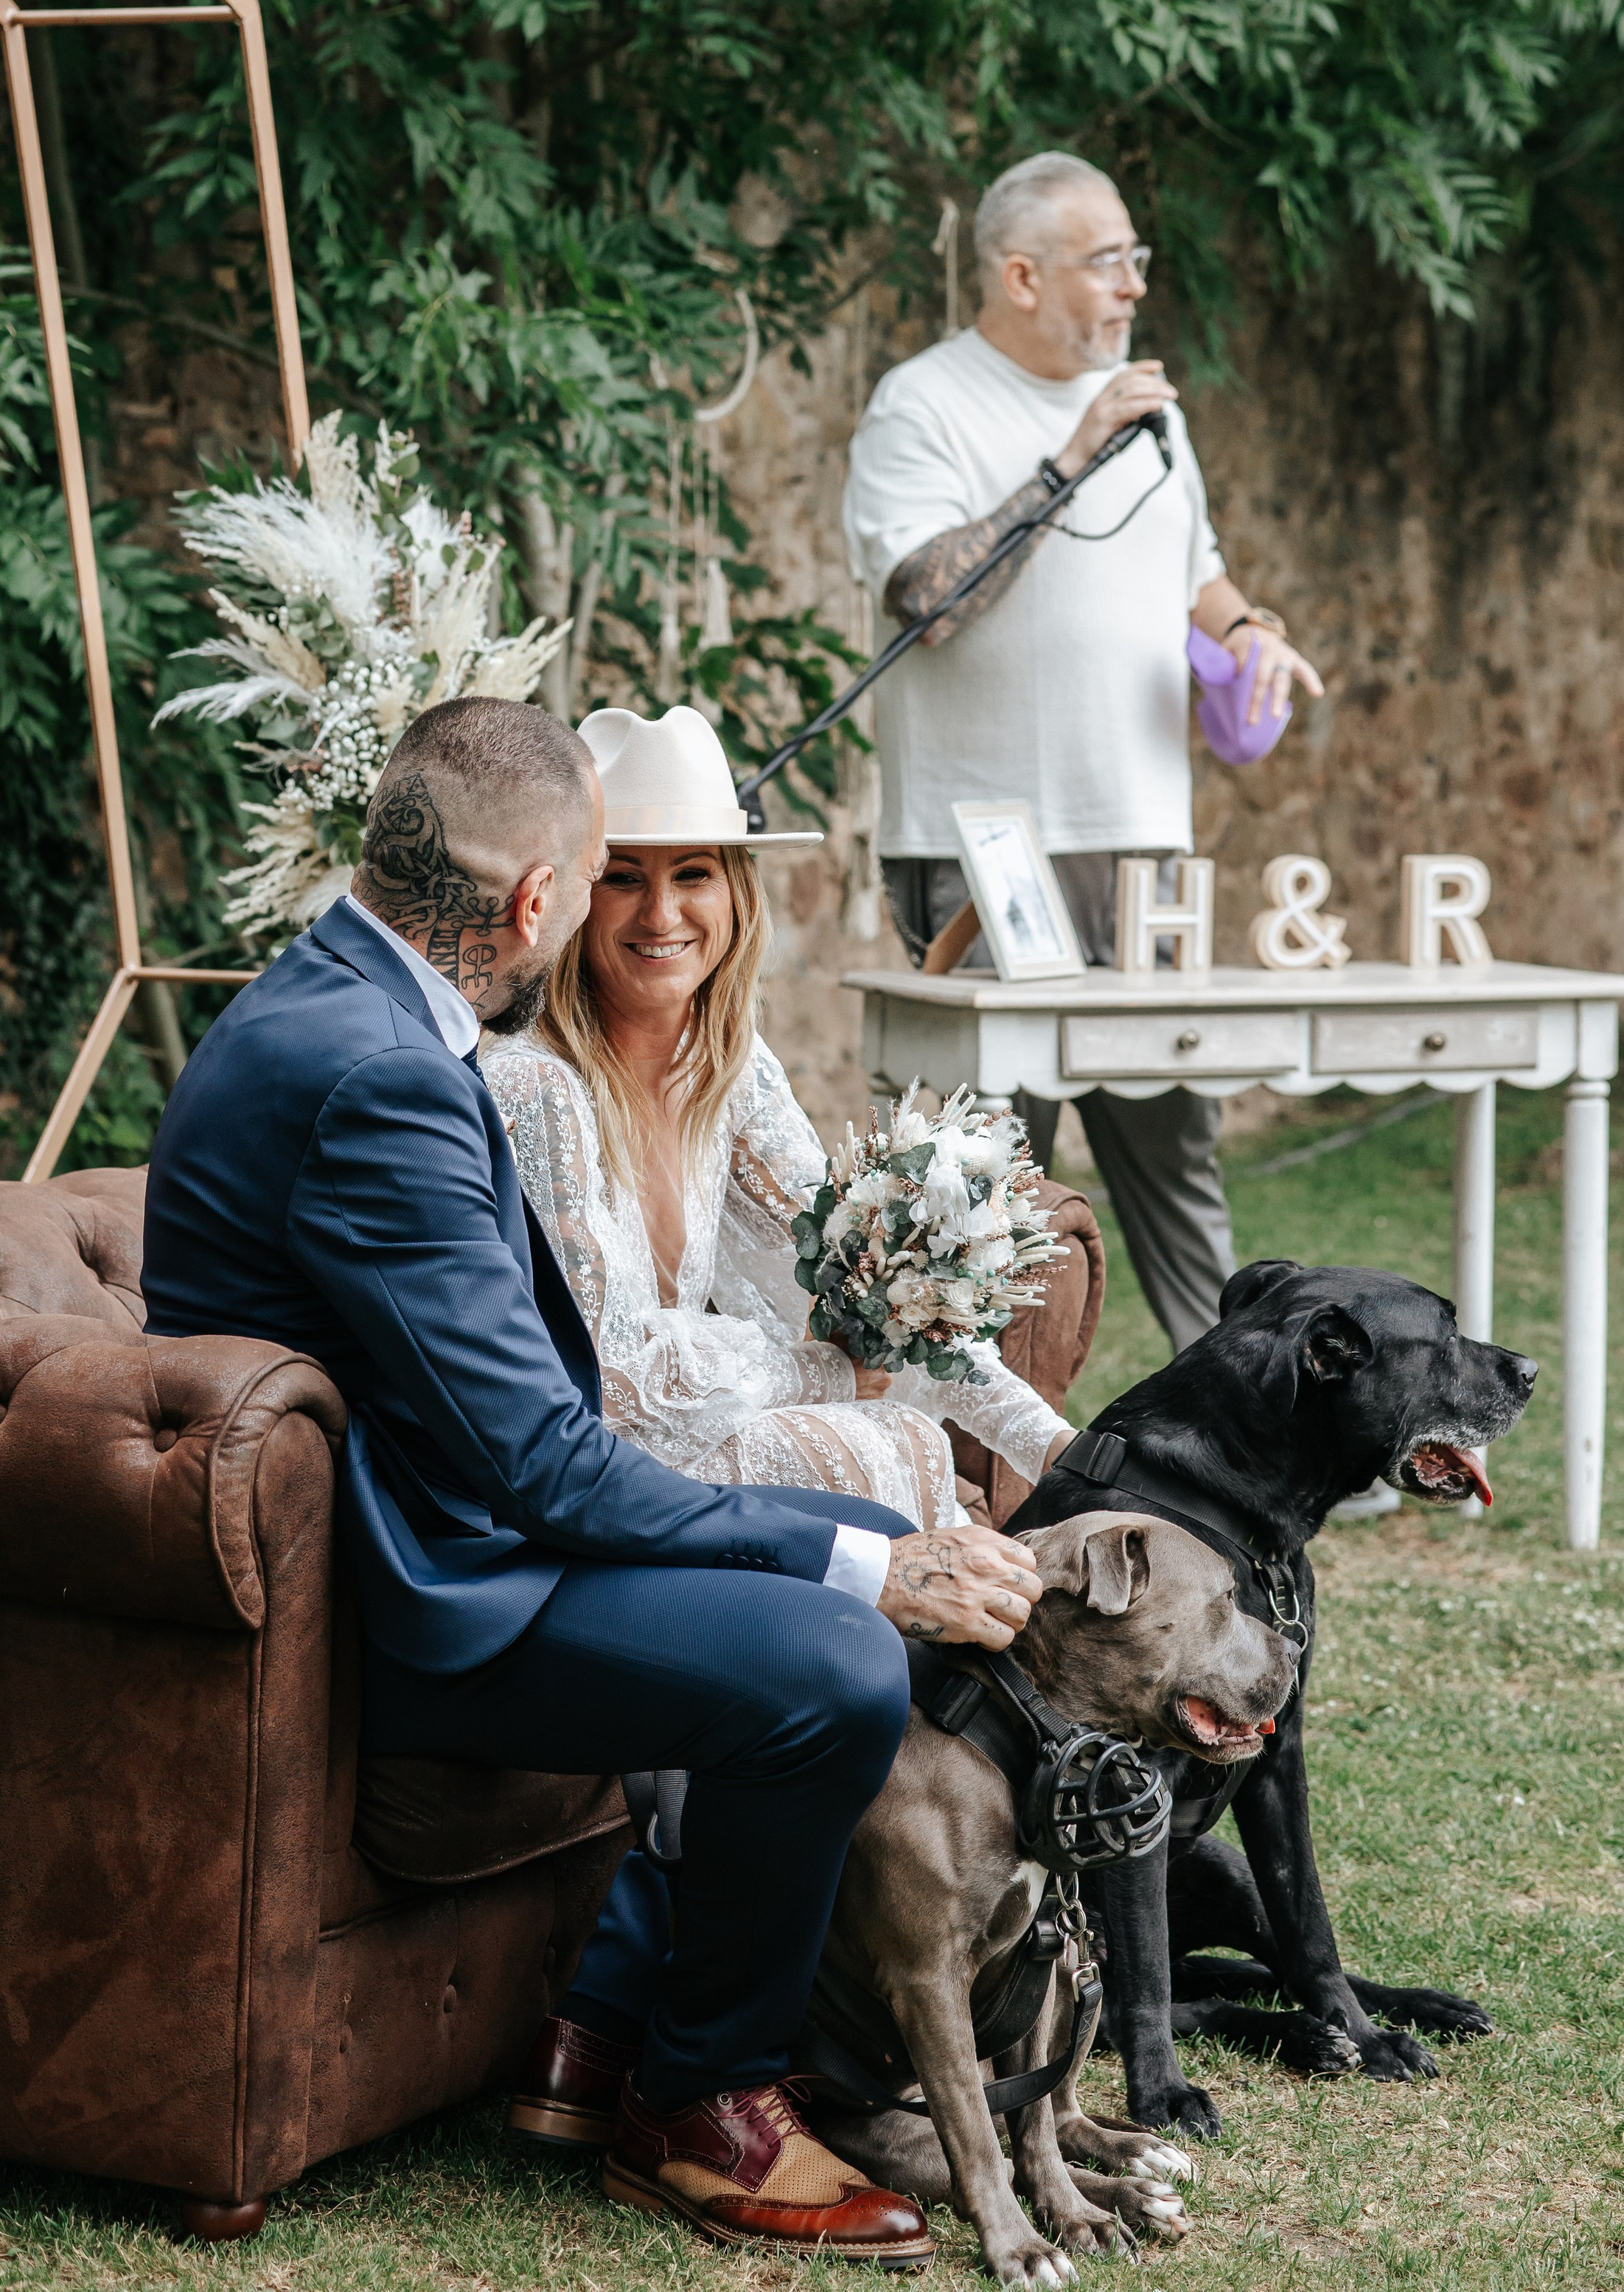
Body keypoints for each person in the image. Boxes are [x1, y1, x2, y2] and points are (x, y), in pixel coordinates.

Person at [140, 694, 1042, 2262]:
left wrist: (866, 1538)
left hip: (435, 1516)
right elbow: (552, 1465)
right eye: (607, 874)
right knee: (833, 1652)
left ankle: (608, 2025)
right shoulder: (386, 1077)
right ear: (540, 900)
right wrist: (865, 1575)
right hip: (404, 1593)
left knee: (857, 1532)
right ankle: (702, 2105)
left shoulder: (346, 1008)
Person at [843, 150, 1325, 1352]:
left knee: (1177, 1159)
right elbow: (926, 601)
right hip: (980, 853)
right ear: (1020, 274)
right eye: (1107, 261)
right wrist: (1064, 464)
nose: (1131, 287)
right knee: (982, 1182)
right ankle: (964, 1459)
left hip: (1142, 844)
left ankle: (1254, 1424)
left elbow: (1190, 567)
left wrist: (1251, 630)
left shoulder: (1148, 409)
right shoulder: (924, 403)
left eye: (1134, 259)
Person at [484, 702, 1075, 1530]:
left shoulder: (727, 1065)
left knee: (905, 1437)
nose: (661, 916)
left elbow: (868, 1291)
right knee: (885, 1445)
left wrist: (1050, 1445)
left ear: (736, 892)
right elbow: (607, 1381)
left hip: (692, 1423)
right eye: (624, 878)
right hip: (583, 1469)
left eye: (692, 875)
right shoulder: (531, 1085)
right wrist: (823, 1374)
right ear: (576, 896)